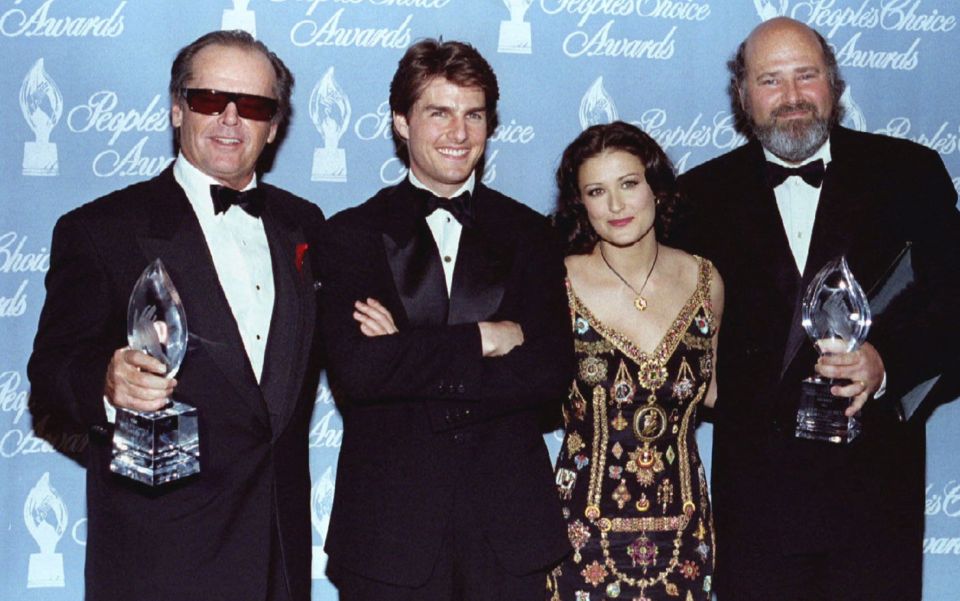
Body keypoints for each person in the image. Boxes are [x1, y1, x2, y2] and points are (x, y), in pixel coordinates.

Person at [673, 17, 960, 601]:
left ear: (835, 83)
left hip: (873, 506)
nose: (793, 97)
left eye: (807, 76)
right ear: (743, 97)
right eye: (771, 80)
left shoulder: (908, 174)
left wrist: (885, 364)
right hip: (756, 511)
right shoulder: (698, 197)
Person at [27, 30, 324, 601]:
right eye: (211, 99)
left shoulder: (305, 224)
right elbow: (51, 372)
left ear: (275, 125)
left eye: (254, 106)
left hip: (279, 560)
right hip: (160, 561)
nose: (231, 119)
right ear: (176, 107)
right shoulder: (101, 229)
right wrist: (106, 383)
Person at [312, 39, 574, 600]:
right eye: (439, 112)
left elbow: (549, 372)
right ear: (401, 123)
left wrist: (406, 351)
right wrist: (485, 337)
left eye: (473, 114)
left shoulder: (531, 233)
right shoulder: (348, 235)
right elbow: (359, 372)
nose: (459, 133)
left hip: (509, 531)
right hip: (388, 534)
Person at [547, 122, 723, 601]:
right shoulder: (556, 282)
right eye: (597, 191)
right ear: (580, 204)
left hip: (686, 536)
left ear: (656, 188)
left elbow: (714, 393)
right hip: (579, 535)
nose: (617, 206)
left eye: (629, 184)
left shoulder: (706, 280)